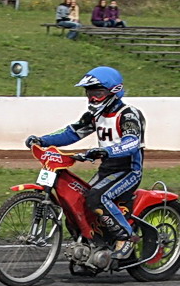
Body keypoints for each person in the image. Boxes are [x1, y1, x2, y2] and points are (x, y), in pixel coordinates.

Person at [24, 66, 146, 259]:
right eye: (89, 93)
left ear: (114, 90)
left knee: (97, 198)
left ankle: (126, 238)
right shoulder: (95, 115)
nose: (92, 98)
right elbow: (72, 132)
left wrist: (105, 151)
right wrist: (43, 140)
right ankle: (94, 246)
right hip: (107, 169)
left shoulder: (128, 114)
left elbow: (131, 142)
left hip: (128, 170)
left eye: (97, 92)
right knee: (78, 202)